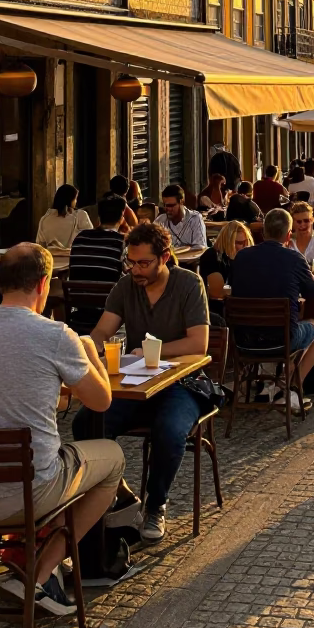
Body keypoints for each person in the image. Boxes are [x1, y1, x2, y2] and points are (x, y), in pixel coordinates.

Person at [0, 244, 123, 613]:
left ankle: (23, 560)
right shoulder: (57, 335)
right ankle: (40, 576)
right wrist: (90, 351)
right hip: (29, 493)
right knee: (113, 461)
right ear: (43, 284)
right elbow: (101, 401)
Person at [73, 222, 210, 543]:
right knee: (87, 423)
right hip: (137, 385)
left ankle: (156, 504)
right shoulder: (125, 287)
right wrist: (84, 351)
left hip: (182, 383)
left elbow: (198, 344)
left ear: (164, 258)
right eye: (130, 262)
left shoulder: (189, 284)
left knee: (171, 431)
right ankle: (120, 493)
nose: (135, 269)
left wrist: (152, 350)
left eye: (143, 263)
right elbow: (101, 333)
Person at [230, 208, 314, 405]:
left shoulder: (242, 257)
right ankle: (291, 388)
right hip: (282, 339)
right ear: (288, 235)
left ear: (263, 232)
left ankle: (269, 384)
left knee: (271, 324)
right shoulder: (294, 258)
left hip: (244, 339)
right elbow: (313, 293)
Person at [68, 192, 126, 330]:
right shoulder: (121, 242)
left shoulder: (80, 238)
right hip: (109, 311)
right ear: (122, 217)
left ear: (99, 217)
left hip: (80, 307)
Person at [198, 220, 253, 317]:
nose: (244, 246)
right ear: (228, 242)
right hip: (219, 311)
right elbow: (216, 293)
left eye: (246, 242)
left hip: (241, 307)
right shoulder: (212, 256)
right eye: (239, 243)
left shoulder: (246, 257)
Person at [35, 184, 92, 249]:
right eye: (75, 198)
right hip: (74, 257)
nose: (76, 201)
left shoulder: (44, 219)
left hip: (52, 258)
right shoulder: (81, 215)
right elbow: (89, 239)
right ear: (70, 199)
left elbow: (40, 246)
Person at [157, 184, 207, 249]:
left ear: (181, 202)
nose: (166, 209)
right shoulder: (160, 221)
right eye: (165, 205)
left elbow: (200, 248)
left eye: (170, 205)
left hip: (191, 258)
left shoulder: (195, 219)